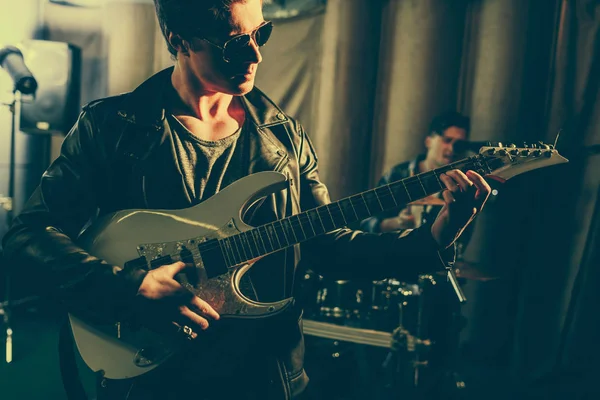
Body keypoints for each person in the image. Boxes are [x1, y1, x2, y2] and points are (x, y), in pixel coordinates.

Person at [0, 1, 490, 399]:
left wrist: (440, 231)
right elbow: (26, 237)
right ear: (179, 39)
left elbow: (328, 244)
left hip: (259, 374)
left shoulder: (284, 137)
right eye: (236, 43)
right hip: (148, 376)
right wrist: (127, 289)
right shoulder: (112, 128)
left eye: (262, 34)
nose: (255, 55)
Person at [361, 111, 472, 237]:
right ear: (429, 141)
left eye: (459, 144)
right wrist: (397, 223)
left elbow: (464, 235)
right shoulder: (398, 174)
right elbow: (366, 223)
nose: (452, 149)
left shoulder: (461, 183)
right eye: (447, 140)